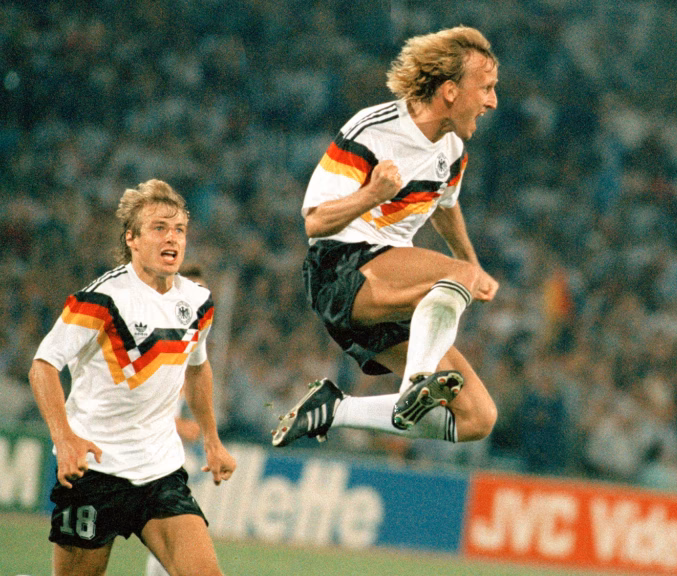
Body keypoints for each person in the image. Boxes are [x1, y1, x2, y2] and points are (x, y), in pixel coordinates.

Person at [271, 26, 500, 447]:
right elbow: (316, 222)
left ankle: (336, 409)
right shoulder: (373, 130)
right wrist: (372, 194)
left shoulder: (452, 149)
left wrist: (473, 263)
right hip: (340, 269)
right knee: (457, 278)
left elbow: (444, 205)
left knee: (477, 418)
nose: (492, 101)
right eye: (485, 88)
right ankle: (417, 381)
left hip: (385, 291)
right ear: (450, 91)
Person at [29, 179, 236, 576]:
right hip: (94, 470)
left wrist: (212, 440)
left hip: (160, 472)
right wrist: (64, 437)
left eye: (179, 229)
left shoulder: (198, 302)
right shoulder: (101, 299)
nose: (171, 237)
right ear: (133, 239)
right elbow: (43, 366)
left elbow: (197, 368)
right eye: (159, 228)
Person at [143, 265, 205, 576]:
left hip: (158, 457)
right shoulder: (151, 335)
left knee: (171, 536)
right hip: (125, 456)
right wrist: (180, 426)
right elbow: (137, 400)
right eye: (192, 289)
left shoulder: (188, 345)